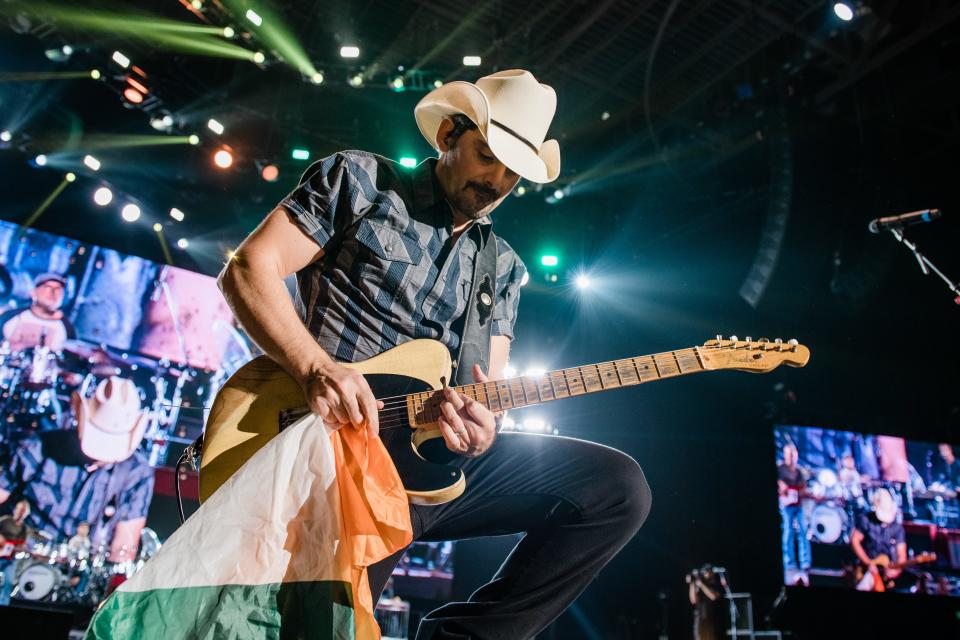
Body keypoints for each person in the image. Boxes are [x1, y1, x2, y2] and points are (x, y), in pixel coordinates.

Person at [218, 69, 652, 639]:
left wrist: (482, 432)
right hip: (326, 445)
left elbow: (485, 394)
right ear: (449, 133)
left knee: (617, 489)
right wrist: (315, 366)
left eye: (513, 172)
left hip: (425, 467)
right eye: (486, 155)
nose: (497, 180)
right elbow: (250, 269)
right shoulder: (363, 182)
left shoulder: (503, 268)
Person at [0, 377, 154, 563]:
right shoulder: (35, 448)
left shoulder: (136, 472)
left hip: (79, 575)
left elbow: (123, 549)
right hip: (19, 561)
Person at [0, 272, 76, 352]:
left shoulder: (67, 328)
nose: (53, 292)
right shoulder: (10, 317)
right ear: (33, 293)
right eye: (47, 287)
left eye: (58, 288)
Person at [851, 488, 906, 591]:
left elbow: (901, 555)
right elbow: (855, 541)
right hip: (868, 566)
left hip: (887, 570)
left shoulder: (897, 528)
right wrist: (868, 562)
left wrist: (897, 569)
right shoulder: (866, 520)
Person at [777, 443, 811, 580]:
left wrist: (802, 491)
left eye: (793, 454)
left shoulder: (799, 472)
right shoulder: (780, 469)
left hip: (798, 505)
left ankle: (805, 562)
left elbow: (803, 488)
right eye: (788, 454)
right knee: (788, 532)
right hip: (786, 506)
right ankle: (789, 562)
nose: (791, 457)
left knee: (803, 531)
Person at [0, 499, 32, 605]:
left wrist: (23, 548)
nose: (21, 512)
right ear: (15, 509)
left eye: (24, 511)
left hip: (9, 558)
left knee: (8, 581)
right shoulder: (6, 521)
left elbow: (21, 545)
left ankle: (3, 604)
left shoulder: (24, 529)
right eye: (20, 509)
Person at [687, 564, 726, 640]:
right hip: (699, 616)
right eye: (704, 572)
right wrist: (692, 583)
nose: (705, 574)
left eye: (707, 571)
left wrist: (701, 584)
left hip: (713, 618)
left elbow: (713, 596)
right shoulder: (700, 584)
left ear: (712, 572)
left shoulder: (717, 584)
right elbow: (693, 600)